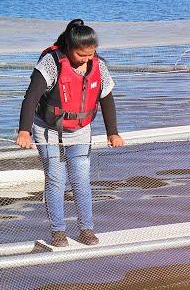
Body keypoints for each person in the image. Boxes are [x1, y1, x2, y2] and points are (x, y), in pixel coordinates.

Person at [16, 19, 124, 247]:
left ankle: (86, 228)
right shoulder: (51, 63)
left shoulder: (99, 65)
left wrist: (112, 132)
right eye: (80, 55)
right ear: (68, 47)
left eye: (90, 54)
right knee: (56, 179)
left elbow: (106, 99)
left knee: (81, 180)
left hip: (81, 130)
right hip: (48, 130)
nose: (86, 60)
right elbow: (30, 98)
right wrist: (24, 132)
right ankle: (58, 231)